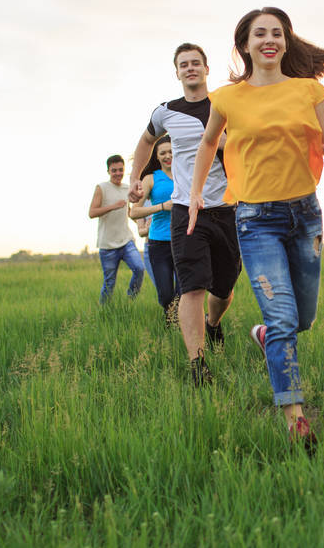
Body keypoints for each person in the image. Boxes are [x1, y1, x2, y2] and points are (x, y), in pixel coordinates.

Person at [188, 7, 324, 451]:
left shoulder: (308, 90)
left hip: (305, 216)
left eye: (277, 33)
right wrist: (198, 192)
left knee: (303, 319)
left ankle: (264, 337)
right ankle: (296, 420)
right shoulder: (228, 98)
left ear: (286, 42)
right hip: (256, 219)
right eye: (260, 34)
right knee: (282, 319)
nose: (269, 40)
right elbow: (207, 142)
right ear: (245, 44)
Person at [128, 44, 241, 386]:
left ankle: (214, 323)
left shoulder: (226, 104)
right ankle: (197, 363)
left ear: (207, 69)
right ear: (176, 72)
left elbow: (245, 145)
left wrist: (220, 143)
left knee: (224, 288)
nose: (190, 68)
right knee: (192, 286)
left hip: (227, 209)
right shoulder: (166, 112)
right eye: (183, 65)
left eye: (196, 63)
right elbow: (145, 142)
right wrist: (135, 177)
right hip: (185, 211)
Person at [129, 136, 180, 322]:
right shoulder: (151, 179)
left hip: (185, 240)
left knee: (185, 293)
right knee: (166, 296)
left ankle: (181, 328)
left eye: (171, 151)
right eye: (163, 153)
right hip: (159, 243)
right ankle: (170, 325)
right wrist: (162, 206)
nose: (168, 156)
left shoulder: (188, 175)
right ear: (156, 157)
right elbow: (134, 212)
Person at [89, 155, 144, 305]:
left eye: (120, 170)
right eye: (114, 170)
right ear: (108, 171)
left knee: (139, 269)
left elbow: (129, 213)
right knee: (109, 283)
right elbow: (92, 213)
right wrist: (113, 206)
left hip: (126, 241)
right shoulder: (102, 188)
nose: (118, 173)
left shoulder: (127, 189)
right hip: (107, 245)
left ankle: (129, 300)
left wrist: (142, 223)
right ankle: (104, 311)